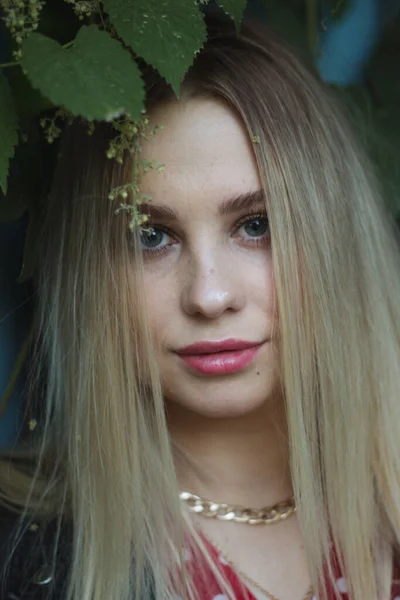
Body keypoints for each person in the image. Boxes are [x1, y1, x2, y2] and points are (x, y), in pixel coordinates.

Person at [0, 9, 400, 600]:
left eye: (256, 225)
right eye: (150, 236)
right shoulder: (19, 548)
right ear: (89, 272)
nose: (210, 296)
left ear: (332, 234)